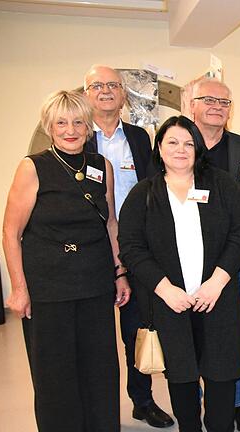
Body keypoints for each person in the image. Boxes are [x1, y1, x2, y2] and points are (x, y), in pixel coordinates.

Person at [3, 90, 131, 431]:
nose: (70, 129)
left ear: (87, 125)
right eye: (61, 122)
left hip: (94, 284)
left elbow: (110, 222)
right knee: (55, 373)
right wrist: (19, 288)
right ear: (50, 126)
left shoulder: (100, 166)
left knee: (100, 367)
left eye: (77, 121)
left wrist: (119, 274)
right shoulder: (33, 167)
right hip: (49, 287)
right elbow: (11, 233)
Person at [118, 115, 240, 432]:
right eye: (173, 142)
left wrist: (217, 282)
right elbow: (131, 247)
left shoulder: (221, 185)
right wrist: (165, 289)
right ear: (160, 149)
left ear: (198, 148)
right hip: (170, 304)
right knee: (182, 376)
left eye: (189, 143)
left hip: (217, 299)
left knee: (221, 375)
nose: (181, 149)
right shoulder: (144, 194)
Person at [83, 64, 174, 428]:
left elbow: (154, 191)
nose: (106, 91)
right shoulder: (76, 137)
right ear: (87, 93)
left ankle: (142, 400)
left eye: (113, 85)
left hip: (134, 249)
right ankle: (95, 404)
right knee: (93, 333)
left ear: (124, 95)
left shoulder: (139, 138)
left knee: (136, 329)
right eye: (97, 85)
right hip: (89, 250)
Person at [190, 78, 240, 432]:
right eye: (208, 99)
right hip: (187, 264)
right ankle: (193, 404)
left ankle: (239, 402)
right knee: (191, 336)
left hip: (235, 263)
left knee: (235, 336)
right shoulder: (177, 143)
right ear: (190, 103)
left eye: (224, 101)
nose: (217, 106)